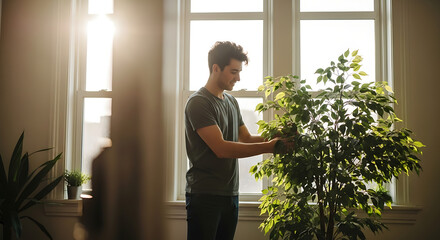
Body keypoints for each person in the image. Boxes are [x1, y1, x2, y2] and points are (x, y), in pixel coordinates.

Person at [184, 41, 280, 240]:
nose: (238, 78)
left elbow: (245, 138)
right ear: (215, 68)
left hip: (230, 195)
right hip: (204, 196)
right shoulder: (198, 103)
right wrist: (270, 147)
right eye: (233, 71)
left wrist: (277, 136)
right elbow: (221, 148)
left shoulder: (231, 102)